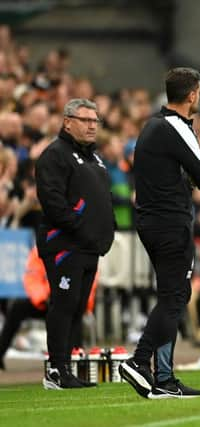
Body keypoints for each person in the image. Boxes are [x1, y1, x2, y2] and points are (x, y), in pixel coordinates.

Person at [119, 67, 200, 399]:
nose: (199, 97)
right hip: (170, 223)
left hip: (151, 221)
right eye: (199, 92)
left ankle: (163, 377)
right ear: (192, 95)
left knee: (171, 297)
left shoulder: (152, 126)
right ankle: (139, 360)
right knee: (175, 298)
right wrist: (197, 173)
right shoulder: (175, 127)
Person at [35, 98, 115, 389]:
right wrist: (81, 228)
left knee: (78, 307)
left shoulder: (94, 157)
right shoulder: (55, 155)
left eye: (96, 121)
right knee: (64, 305)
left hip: (88, 245)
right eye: (86, 120)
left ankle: (66, 368)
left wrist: (106, 231)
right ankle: (56, 371)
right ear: (68, 121)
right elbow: (53, 201)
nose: (93, 125)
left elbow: (102, 199)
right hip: (65, 244)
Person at [0, 246, 97, 370]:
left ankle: (76, 358)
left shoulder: (82, 247)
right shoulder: (43, 247)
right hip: (46, 300)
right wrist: (43, 298)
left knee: (74, 315)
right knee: (17, 309)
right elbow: (32, 276)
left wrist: (83, 303)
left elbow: (90, 280)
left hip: (71, 300)